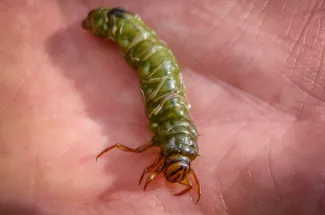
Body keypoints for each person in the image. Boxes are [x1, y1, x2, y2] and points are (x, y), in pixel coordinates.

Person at [1, 0, 324, 214]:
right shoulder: (167, 136)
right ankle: (116, 22)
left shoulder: (169, 138)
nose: (171, 172)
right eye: (179, 166)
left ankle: (118, 22)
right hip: (140, 60)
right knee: (157, 67)